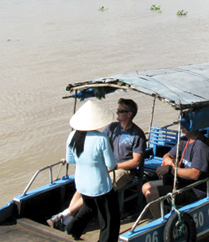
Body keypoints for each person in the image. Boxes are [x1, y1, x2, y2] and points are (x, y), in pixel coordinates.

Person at [48, 98, 146, 232]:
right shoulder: (112, 128)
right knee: (84, 187)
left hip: (123, 170)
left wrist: (116, 166)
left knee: (98, 187)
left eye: (120, 111)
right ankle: (68, 216)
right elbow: (96, 144)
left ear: (129, 114)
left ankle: (63, 216)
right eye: (117, 110)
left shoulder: (137, 134)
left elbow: (136, 161)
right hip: (106, 165)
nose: (117, 113)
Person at [63, 99, 119, 242]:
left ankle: (70, 231)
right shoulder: (101, 139)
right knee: (109, 218)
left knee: (89, 208)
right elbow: (111, 165)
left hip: (82, 183)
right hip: (100, 186)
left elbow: (70, 160)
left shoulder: (72, 136)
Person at [142, 126, 209, 218]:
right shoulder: (185, 141)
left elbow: (195, 174)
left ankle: (160, 223)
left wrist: (171, 170)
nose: (181, 127)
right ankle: (161, 215)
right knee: (146, 187)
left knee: (151, 193)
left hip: (194, 189)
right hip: (180, 182)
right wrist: (170, 162)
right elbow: (167, 155)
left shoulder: (201, 146)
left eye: (185, 125)